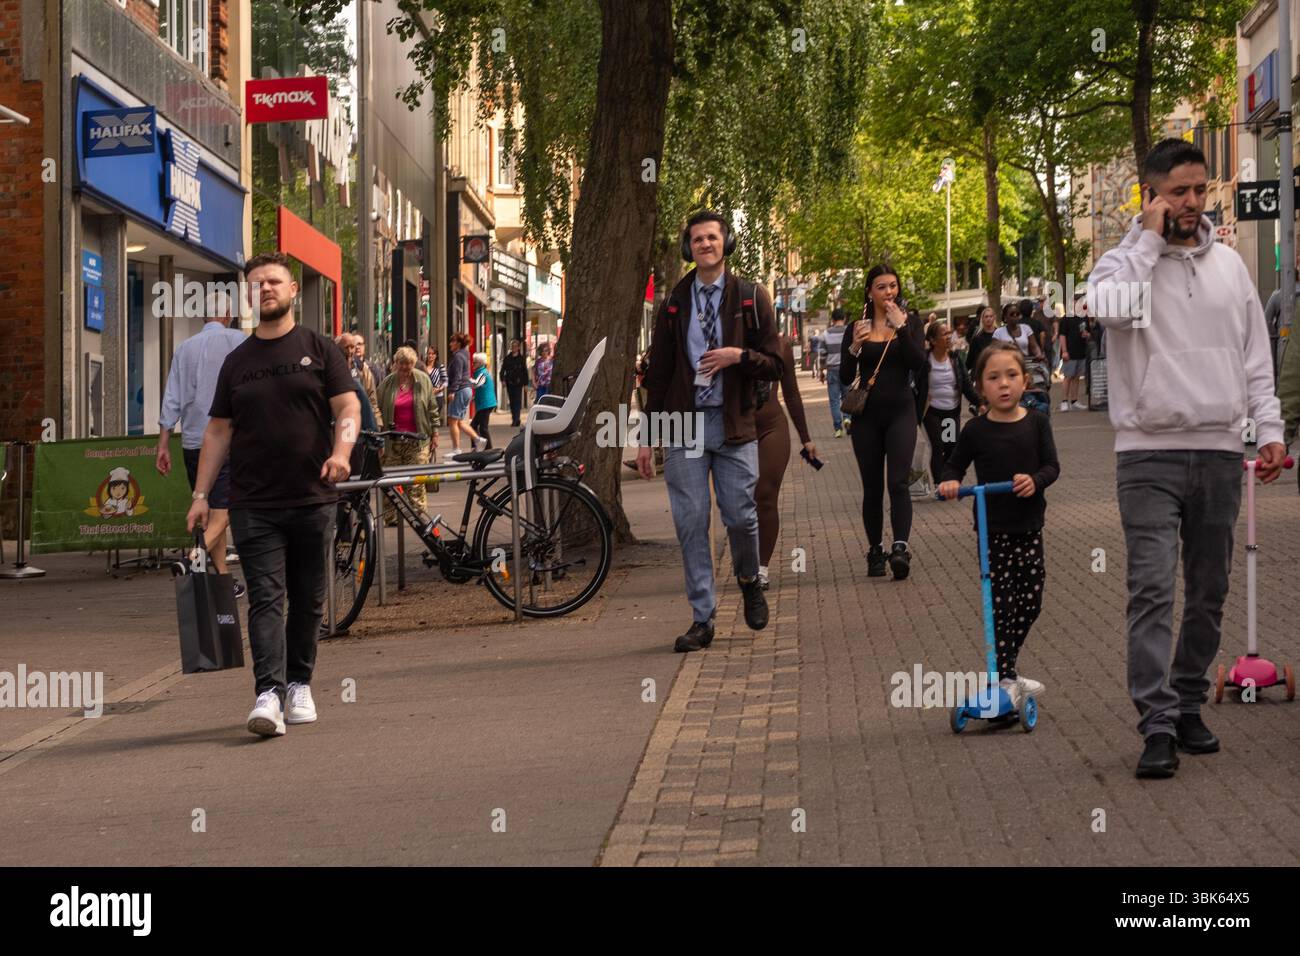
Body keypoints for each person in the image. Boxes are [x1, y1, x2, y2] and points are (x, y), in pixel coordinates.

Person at [1089, 138, 1285, 779]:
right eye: (1179, 192)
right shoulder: (1119, 264)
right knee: (1151, 590)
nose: (1194, 203)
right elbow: (1110, 314)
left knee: (1209, 592)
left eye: (1200, 190)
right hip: (1147, 452)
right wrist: (1146, 242)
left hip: (1221, 449)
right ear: (1150, 195)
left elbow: (1256, 359)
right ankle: (1156, 724)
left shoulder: (1231, 267)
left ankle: (1189, 701)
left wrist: (1271, 431)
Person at [187, 251, 360, 738]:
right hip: (253, 501)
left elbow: (347, 404)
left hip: (313, 496)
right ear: (248, 294)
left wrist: (341, 450)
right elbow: (218, 430)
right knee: (266, 596)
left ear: (291, 291)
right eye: (256, 283)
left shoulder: (319, 348)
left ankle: (299, 683)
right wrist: (202, 494)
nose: (265, 288)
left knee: (308, 598)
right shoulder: (236, 362)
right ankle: (268, 693)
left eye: (274, 282)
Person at [636, 209, 783, 652]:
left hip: (735, 421)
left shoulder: (750, 296)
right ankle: (703, 618)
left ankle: (748, 577)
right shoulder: (675, 303)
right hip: (684, 426)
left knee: (740, 514)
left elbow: (775, 363)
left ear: (726, 243)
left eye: (712, 238)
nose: (705, 245)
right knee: (690, 522)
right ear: (688, 248)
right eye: (697, 239)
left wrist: (739, 356)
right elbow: (658, 376)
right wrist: (646, 437)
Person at [939, 341, 1059, 705]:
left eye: (1011, 376)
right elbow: (953, 466)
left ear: (1025, 381)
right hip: (993, 532)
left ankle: (1007, 670)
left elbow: (1051, 466)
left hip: (1029, 525)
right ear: (980, 386)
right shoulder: (975, 430)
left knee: (1031, 599)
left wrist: (1035, 481)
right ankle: (1004, 674)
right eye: (993, 378)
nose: (1003, 384)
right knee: (1001, 603)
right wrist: (950, 483)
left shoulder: (1037, 422)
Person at [841, 264, 927, 579]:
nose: (889, 292)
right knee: (873, 488)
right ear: (870, 292)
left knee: (898, 483)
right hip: (866, 418)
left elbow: (919, 364)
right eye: (881, 286)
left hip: (901, 412)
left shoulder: (911, 323)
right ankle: (875, 549)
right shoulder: (858, 326)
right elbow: (845, 377)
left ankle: (900, 548)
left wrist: (902, 328)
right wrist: (854, 346)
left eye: (893, 286)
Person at [156, 289, 246, 591]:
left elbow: (172, 397)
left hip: (192, 442)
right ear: (228, 315)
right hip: (227, 441)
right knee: (225, 511)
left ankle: (221, 579)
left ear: (204, 316)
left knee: (207, 510)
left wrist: (163, 443)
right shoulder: (239, 342)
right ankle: (191, 560)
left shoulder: (184, 348)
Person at [755, 339, 816, 590]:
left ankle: (760, 568)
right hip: (734, 430)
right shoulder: (725, 338)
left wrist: (806, 439)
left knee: (765, 495)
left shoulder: (779, 346)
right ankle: (744, 557)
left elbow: (791, 393)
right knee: (737, 502)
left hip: (772, 427)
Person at [377, 346, 439, 525]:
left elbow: (432, 407)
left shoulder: (423, 380)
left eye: (409, 364)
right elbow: (377, 407)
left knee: (416, 480)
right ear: (396, 364)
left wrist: (435, 433)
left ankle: (419, 514)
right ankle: (391, 517)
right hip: (393, 440)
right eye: (402, 364)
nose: (405, 367)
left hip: (417, 440)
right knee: (390, 481)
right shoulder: (387, 383)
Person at [915, 320, 981, 484]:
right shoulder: (924, 360)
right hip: (931, 412)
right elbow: (914, 385)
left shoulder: (955, 359)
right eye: (944, 334)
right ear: (932, 340)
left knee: (950, 446)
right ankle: (938, 484)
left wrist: (980, 402)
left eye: (949, 333)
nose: (949, 336)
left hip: (951, 412)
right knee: (938, 447)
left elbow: (965, 384)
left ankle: (946, 479)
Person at [445, 332, 485, 456]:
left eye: (452, 341)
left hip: (460, 390)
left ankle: (456, 449)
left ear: (458, 344)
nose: (450, 344)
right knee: (460, 421)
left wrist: (452, 391)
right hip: (465, 389)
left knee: (452, 420)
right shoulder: (464, 355)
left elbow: (457, 376)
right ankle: (479, 439)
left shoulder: (458, 357)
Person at [337, 333, 383, 427]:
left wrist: (377, 422)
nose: (350, 351)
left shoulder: (362, 369)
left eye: (352, 347)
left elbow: (372, 398)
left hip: (360, 423)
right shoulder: (331, 369)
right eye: (346, 347)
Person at [1056, 304, 1090, 412]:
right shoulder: (1066, 319)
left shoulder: (1084, 317)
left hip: (1081, 351)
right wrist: (1064, 351)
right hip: (1070, 352)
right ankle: (1064, 401)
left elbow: (1088, 332)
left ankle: (1074, 401)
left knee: (1077, 377)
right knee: (1068, 376)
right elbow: (1062, 335)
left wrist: (1087, 334)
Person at [823, 308, 849, 436]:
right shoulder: (849, 332)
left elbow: (822, 353)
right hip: (846, 368)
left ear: (832, 320)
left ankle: (838, 429)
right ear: (844, 318)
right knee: (847, 397)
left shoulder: (826, 333)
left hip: (832, 369)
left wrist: (822, 370)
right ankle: (848, 418)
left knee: (834, 401)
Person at [470, 352, 497, 448]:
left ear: (481, 363)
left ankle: (488, 448)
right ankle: (477, 446)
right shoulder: (480, 372)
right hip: (484, 404)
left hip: (486, 404)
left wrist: (466, 379)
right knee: (474, 426)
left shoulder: (482, 373)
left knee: (482, 427)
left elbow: (477, 384)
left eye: (475, 362)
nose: (473, 364)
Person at [501, 339, 528, 427]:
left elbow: (525, 372)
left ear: (518, 348)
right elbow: (502, 370)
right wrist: (503, 380)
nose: (514, 348)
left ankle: (516, 419)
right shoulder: (507, 358)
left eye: (515, 346)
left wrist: (525, 384)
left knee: (517, 401)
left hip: (518, 383)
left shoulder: (521, 359)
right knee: (512, 402)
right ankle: (515, 418)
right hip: (509, 383)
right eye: (512, 346)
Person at [965, 306, 998, 373]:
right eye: (986, 317)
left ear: (994, 318)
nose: (988, 319)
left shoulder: (1000, 334)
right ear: (982, 319)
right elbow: (970, 360)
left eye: (990, 316)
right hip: (982, 371)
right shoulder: (977, 338)